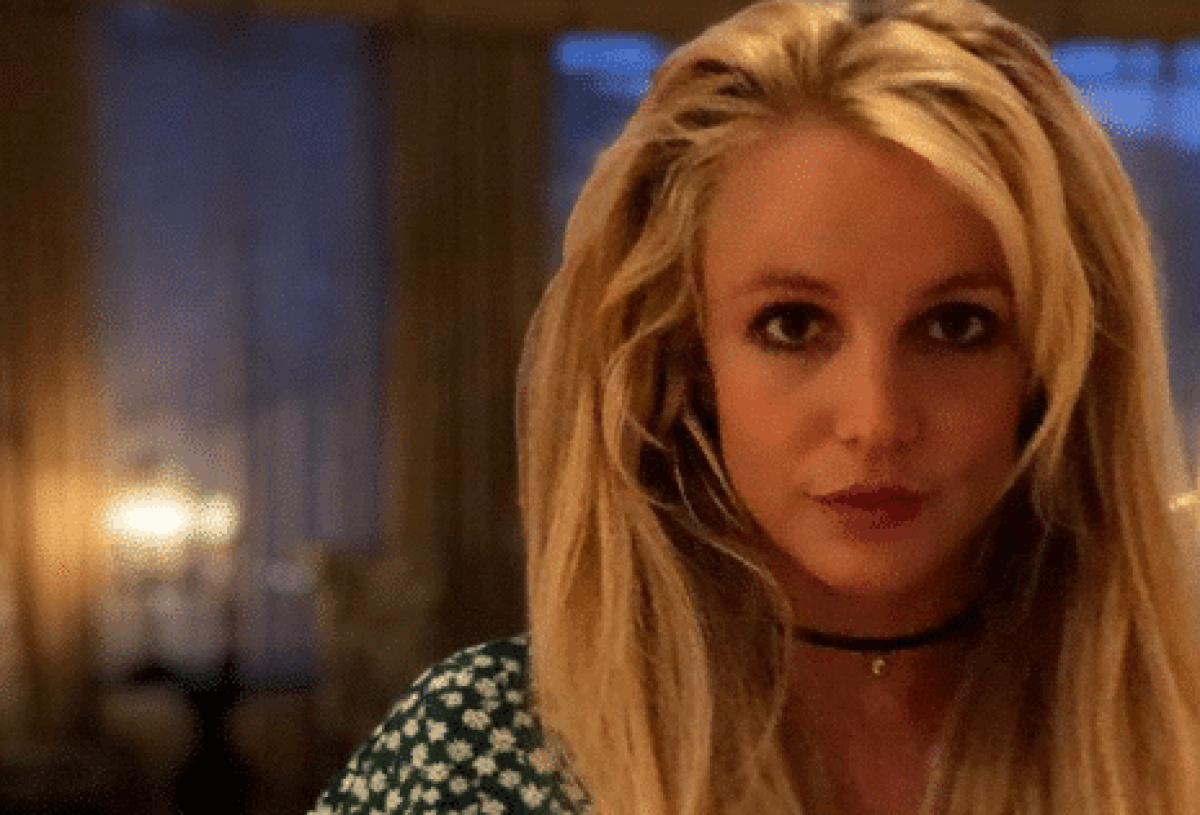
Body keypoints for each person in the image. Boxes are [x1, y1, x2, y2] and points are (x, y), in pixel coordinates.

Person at [310, 0, 1200, 812]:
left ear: (1053, 364)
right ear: (683, 356)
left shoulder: (1169, 744)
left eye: (957, 325)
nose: (876, 420)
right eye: (793, 325)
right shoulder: (484, 758)